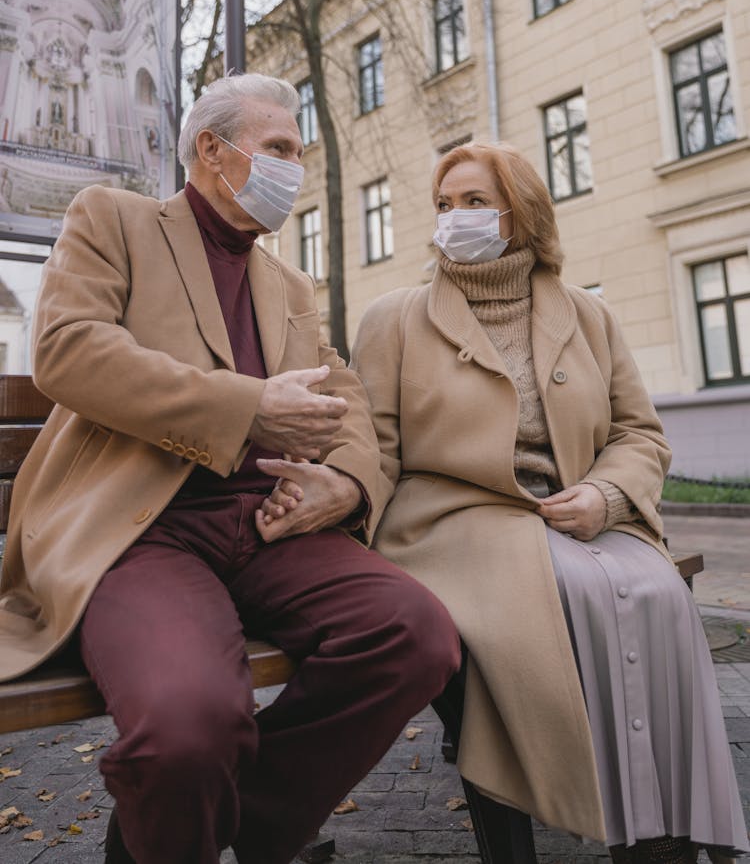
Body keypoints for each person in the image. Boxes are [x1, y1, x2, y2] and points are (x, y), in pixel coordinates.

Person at [0, 73, 460, 864]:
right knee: (189, 723)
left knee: (415, 634)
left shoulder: (285, 280)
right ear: (212, 150)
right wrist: (245, 407)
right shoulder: (113, 218)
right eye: (278, 147)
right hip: (140, 532)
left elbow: (340, 391)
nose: (295, 166)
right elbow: (68, 349)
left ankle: (205, 819)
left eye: (298, 151)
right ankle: (180, 804)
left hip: (269, 526)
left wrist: (344, 484)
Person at [321, 142, 746, 863]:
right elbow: (376, 450)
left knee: (657, 590)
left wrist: (607, 495)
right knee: (570, 588)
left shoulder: (587, 314)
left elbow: (639, 432)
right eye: (445, 204)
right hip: (451, 523)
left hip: (573, 514)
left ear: (520, 215)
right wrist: (346, 527)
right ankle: (588, 802)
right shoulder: (394, 318)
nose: (456, 217)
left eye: (476, 202)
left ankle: (661, 830)